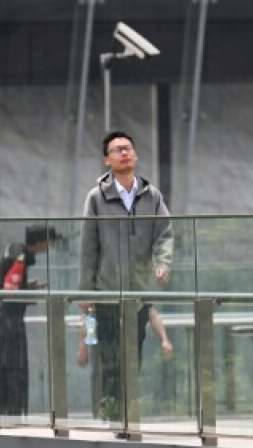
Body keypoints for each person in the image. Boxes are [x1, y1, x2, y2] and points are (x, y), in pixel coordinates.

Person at [78, 130, 174, 422]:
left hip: (138, 293)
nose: (124, 153)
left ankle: (128, 410)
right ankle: (113, 410)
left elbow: (165, 234)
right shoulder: (96, 198)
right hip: (106, 293)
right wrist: (86, 291)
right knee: (109, 355)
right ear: (107, 160)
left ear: (135, 155)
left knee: (135, 355)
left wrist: (163, 262)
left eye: (128, 148)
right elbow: (88, 247)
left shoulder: (151, 195)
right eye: (117, 150)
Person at [0, 224, 56, 416]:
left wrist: (27, 287)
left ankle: (11, 410)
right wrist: (24, 292)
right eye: (48, 243)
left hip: (5, 320)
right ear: (41, 242)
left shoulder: (14, 253)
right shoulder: (19, 258)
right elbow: (9, 292)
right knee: (13, 369)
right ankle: (12, 411)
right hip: (9, 323)